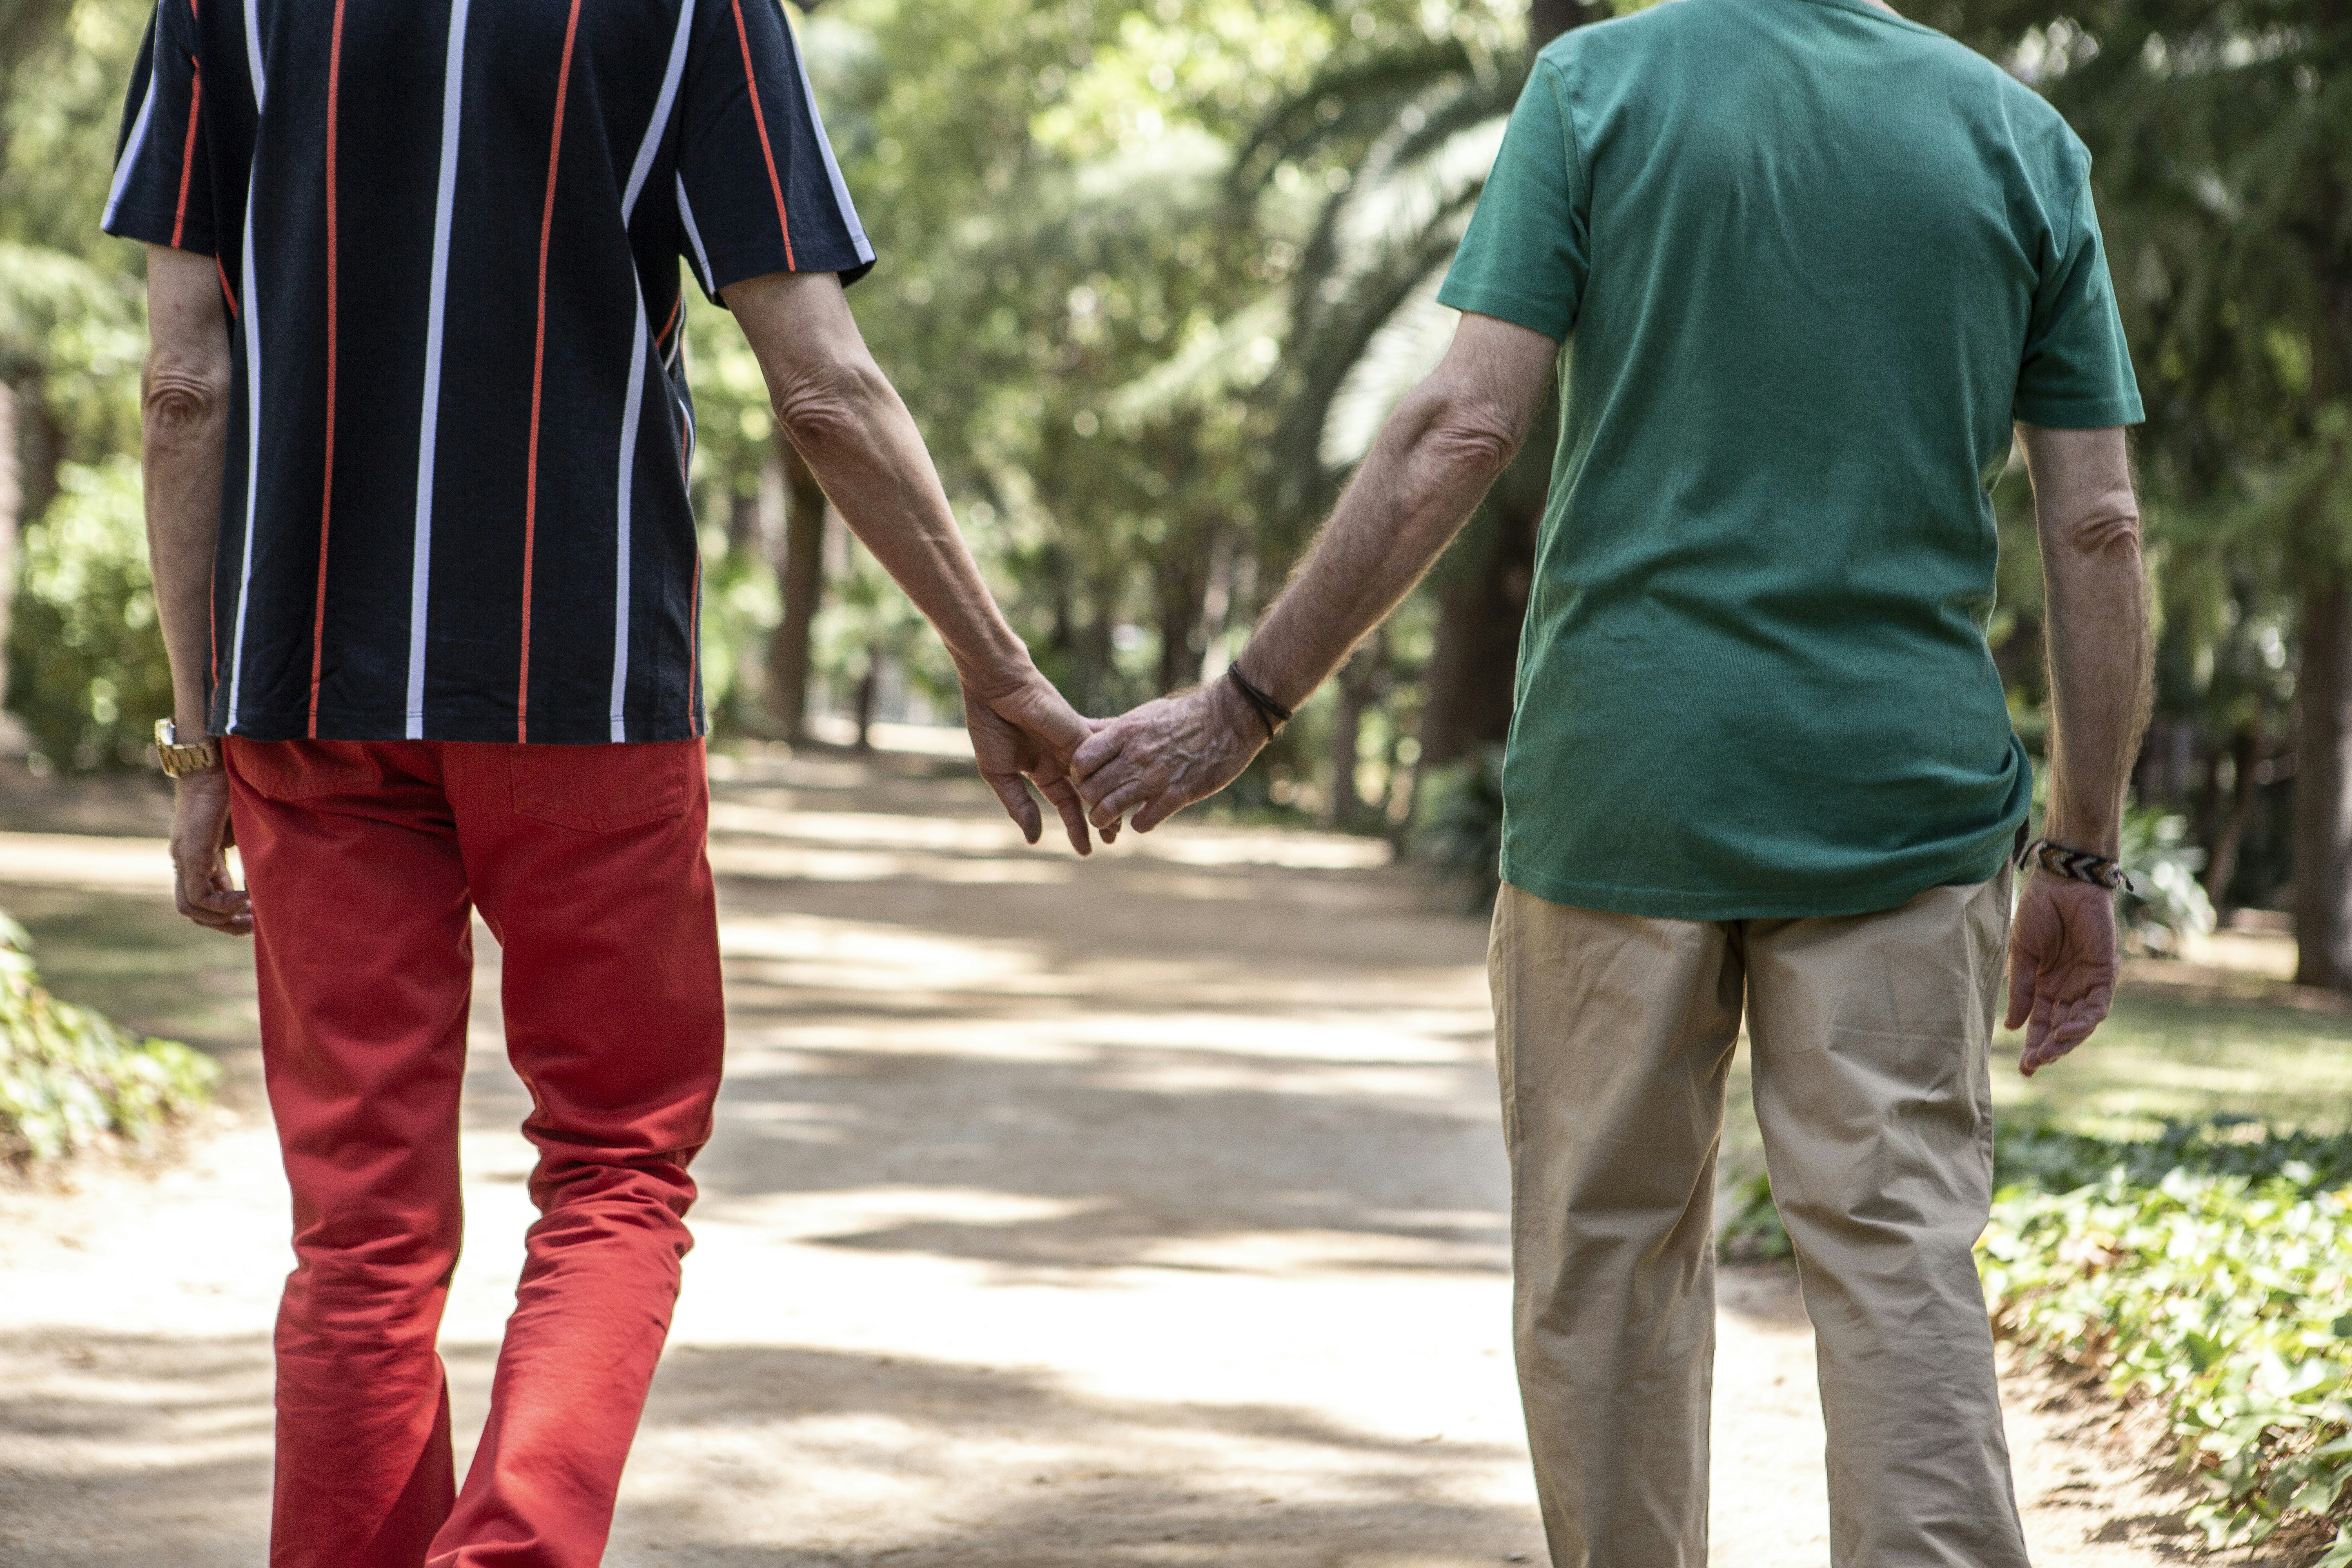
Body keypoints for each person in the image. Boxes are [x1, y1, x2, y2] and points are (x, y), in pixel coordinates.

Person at [1072, 0, 2148, 1563]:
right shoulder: (2020, 142)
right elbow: (2099, 524)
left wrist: (1247, 705)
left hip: (1624, 785)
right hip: (1903, 803)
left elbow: (1462, 427)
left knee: (1607, 1263)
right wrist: (2085, 856)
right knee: (1898, 1255)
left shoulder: (1598, 88)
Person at [104, 3, 1092, 1564]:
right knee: (619, 1163)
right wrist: (998, 665)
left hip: (302, 688)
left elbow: (183, 383)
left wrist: (196, 735)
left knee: (359, 1230)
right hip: (584, 682)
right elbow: (822, 384)